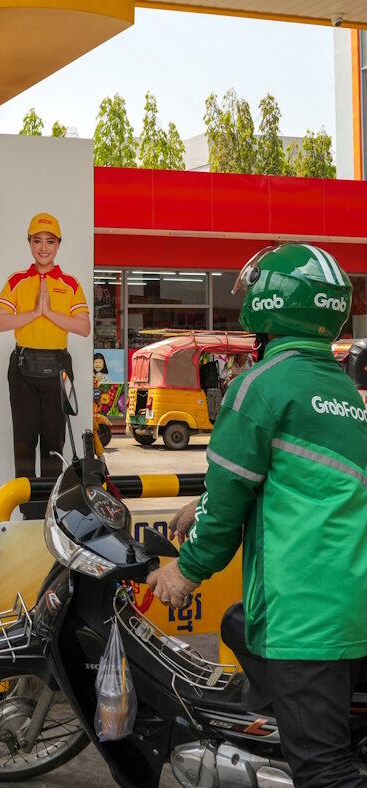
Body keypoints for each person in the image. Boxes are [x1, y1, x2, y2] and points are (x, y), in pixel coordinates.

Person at [147, 244, 367, 788]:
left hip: (306, 614)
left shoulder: (258, 386)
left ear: (269, 306)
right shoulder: (341, 390)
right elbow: (305, 481)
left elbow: (225, 512)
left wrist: (186, 570)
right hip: (349, 601)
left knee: (324, 770)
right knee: (238, 625)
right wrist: (202, 501)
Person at [0, 213, 89, 516]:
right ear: (30, 244)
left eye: (50, 241)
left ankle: (50, 509)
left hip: (58, 367)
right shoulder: (17, 281)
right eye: (37, 241)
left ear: (58, 245)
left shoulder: (70, 284)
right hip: (22, 368)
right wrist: (34, 313)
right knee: (23, 442)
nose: (43, 248)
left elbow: (83, 327)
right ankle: (26, 510)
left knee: (54, 443)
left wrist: (48, 312)